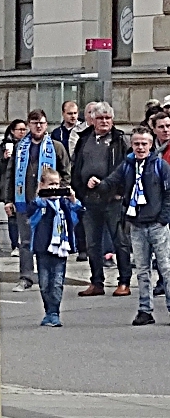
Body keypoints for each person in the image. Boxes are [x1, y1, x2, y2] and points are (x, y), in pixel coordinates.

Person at [101, 125, 170, 325]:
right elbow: (112, 181)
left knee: (165, 267)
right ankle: (145, 310)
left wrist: (163, 218)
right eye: (137, 143)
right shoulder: (128, 165)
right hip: (137, 225)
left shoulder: (160, 165)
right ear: (132, 145)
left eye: (144, 144)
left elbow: (168, 194)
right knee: (142, 269)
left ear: (150, 145)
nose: (140, 147)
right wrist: (98, 184)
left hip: (157, 224)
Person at [71, 103, 132, 295]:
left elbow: (126, 168)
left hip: (112, 199)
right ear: (92, 119)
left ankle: (124, 282)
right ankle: (96, 282)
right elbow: (77, 166)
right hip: (90, 200)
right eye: (100, 118)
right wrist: (80, 189)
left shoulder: (120, 140)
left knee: (119, 242)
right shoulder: (84, 139)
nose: (104, 121)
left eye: (107, 118)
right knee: (92, 244)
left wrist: (117, 190)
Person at [27, 169, 81, 327]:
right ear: (42, 185)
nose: (54, 188)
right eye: (51, 184)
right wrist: (40, 195)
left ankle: (54, 313)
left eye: (57, 184)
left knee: (57, 282)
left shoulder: (63, 204)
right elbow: (30, 213)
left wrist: (72, 199)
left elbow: (78, 213)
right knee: (44, 283)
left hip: (60, 249)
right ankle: (48, 311)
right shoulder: (40, 204)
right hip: (42, 247)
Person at [11, 110, 58, 290]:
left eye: (42, 123)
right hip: (24, 200)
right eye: (34, 122)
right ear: (29, 124)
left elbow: (66, 172)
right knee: (25, 242)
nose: (38, 126)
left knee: (46, 239)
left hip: (47, 203)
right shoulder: (20, 147)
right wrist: (8, 199)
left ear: (46, 125)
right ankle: (26, 277)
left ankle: (47, 276)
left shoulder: (55, 147)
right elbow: (11, 173)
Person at [0, 118, 27, 261]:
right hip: (9, 185)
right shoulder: (5, 146)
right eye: (20, 129)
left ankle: (27, 243)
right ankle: (15, 245)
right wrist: (4, 158)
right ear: (12, 131)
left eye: (24, 129)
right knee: (12, 217)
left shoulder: (27, 145)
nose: (22, 132)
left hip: (24, 184)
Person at [52, 100, 87, 166]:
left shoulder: (85, 130)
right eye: (70, 113)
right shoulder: (56, 133)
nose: (73, 116)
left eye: (75, 113)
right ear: (63, 113)